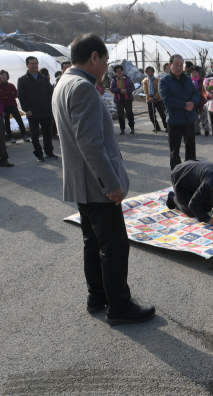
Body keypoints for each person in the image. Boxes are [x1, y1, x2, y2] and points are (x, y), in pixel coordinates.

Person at [52, 33, 155, 326]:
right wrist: (111, 184)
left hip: (81, 183)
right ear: (94, 57)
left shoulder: (63, 83)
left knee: (93, 241)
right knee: (115, 245)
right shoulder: (83, 87)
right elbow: (90, 143)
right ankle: (119, 307)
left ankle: (97, 297)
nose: (106, 67)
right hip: (96, 184)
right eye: (105, 60)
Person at [158, 54, 199, 170]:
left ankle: (191, 172)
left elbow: (195, 93)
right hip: (174, 120)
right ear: (170, 65)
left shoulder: (187, 79)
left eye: (181, 65)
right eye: (176, 65)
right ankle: (177, 175)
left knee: (191, 149)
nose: (179, 68)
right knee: (175, 151)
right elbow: (166, 99)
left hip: (189, 119)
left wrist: (193, 103)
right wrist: (185, 105)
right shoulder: (164, 81)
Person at [17, 56, 58, 162]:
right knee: (34, 135)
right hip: (32, 111)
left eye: (36, 63)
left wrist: (51, 107)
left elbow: (50, 94)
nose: (34, 65)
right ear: (27, 65)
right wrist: (26, 109)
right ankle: (39, 154)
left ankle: (49, 152)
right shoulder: (22, 80)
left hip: (45, 110)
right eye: (32, 64)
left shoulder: (44, 78)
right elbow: (21, 96)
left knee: (47, 133)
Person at [0, 70, 28, 143]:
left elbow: (16, 94)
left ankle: (24, 135)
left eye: (5, 75)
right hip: (4, 107)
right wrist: (10, 93)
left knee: (19, 120)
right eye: (2, 75)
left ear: (7, 76)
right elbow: (0, 95)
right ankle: (10, 137)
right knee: (7, 122)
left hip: (13, 105)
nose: (4, 76)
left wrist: (7, 95)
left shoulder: (11, 85)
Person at [109, 65, 136, 135]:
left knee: (129, 114)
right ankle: (122, 129)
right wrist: (120, 91)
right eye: (117, 71)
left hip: (127, 98)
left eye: (120, 70)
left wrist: (126, 90)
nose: (119, 72)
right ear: (115, 73)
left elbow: (132, 87)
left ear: (122, 71)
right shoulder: (114, 80)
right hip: (119, 99)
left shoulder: (127, 78)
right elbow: (112, 89)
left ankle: (132, 128)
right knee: (120, 115)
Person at [142, 66, 168, 132]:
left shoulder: (158, 80)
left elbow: (159, 91)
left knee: (162, 114)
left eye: (151, 71)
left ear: (153, 72)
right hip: (149, 100)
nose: (150, 73)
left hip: (158, 100)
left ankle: (167, 127)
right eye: (148, 71)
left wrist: (154, 97)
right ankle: (156, 127)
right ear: (146, 73)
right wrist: (149, 97)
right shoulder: (145, 81)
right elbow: (145, 91)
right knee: (151, 115)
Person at [190, 66, 209, 136]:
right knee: (195, 117)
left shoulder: (203, 80)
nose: (194, 74)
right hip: (193, 102)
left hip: (201, 101)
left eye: (196, 72)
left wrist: (197, 94)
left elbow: (204, 90)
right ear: (190, 74)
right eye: (192, 72)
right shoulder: (189, 81)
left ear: (198, 73)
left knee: (203, 117)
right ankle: (197, 130)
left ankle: (206, 129)